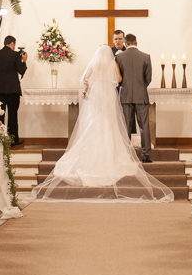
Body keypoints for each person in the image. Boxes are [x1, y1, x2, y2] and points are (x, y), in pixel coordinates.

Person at [29, 45, 173, 202]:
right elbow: (119, 79)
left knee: (94, 121)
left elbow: (83, 78)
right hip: (109, 95)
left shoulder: (94, 63)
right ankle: (111, 153)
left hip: (97, 93)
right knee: (109, 123)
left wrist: (89, 86)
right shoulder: (113, 63)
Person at [116, 34, 154, 163]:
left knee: (125, 127)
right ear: (136, 43)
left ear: (125, 44)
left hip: (125, 95)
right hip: (141, 96)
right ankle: (146, 155)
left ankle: (126, 156)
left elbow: (118, 78)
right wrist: (140, 87)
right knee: (144, 126)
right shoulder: (146, 57)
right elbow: (148, 79)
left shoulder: (119, 57)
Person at [0, 35, 27, 146]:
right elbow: (21, 70)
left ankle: (0, 140)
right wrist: (24, 61)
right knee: (12, 115)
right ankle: (13, 140)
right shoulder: (15, 55)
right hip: (12, 90)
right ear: (12, 44)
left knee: (0, 115)